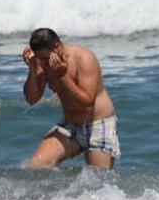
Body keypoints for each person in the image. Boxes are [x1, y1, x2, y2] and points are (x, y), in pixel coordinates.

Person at [22, 28, 120, 169]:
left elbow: (87, 102)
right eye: (39, 59)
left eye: (44, 58)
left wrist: (63, 76)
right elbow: (31, 99)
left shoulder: (83, 58)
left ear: (57, 47)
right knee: (36, 165)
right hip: (70, 126)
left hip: (98, 125)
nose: (42, 63)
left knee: (99, 181)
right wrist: (32, 69)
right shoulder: (42, 60)